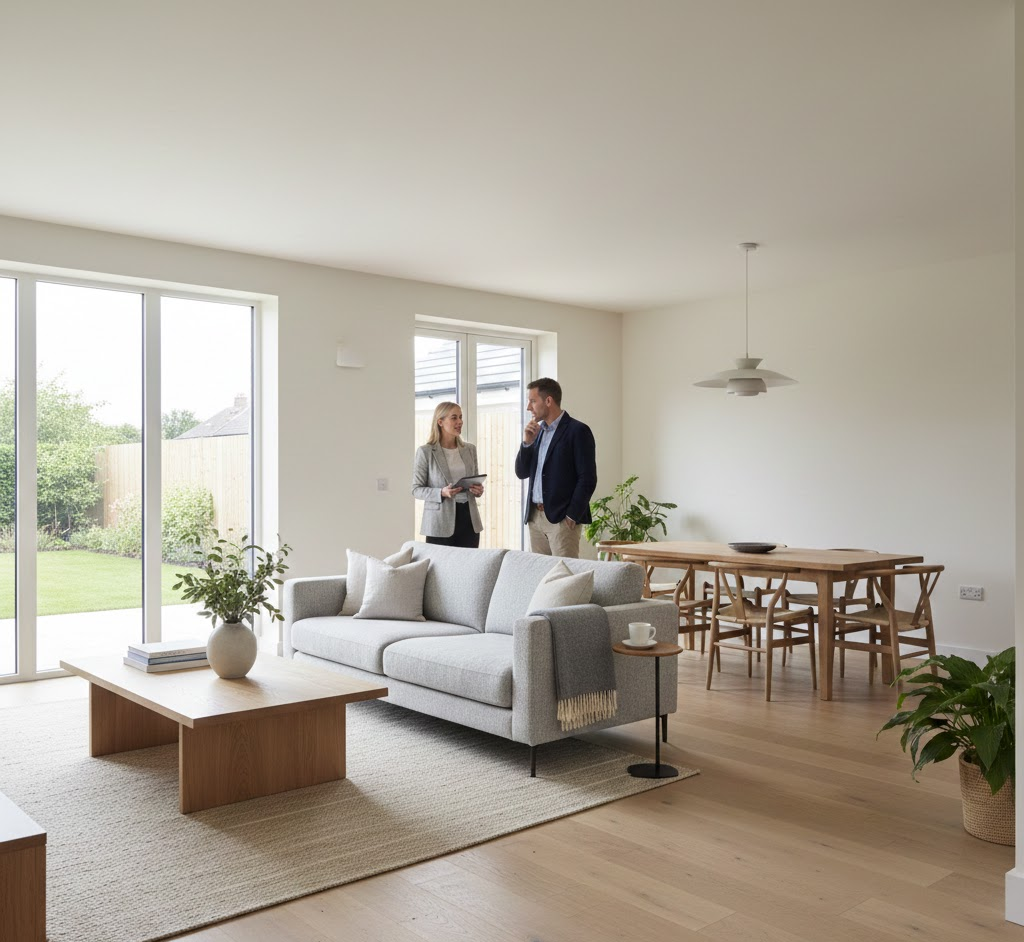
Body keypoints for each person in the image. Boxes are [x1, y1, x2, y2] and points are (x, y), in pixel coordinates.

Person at [514, 377, 597, 558]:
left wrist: (572, 516)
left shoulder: (578, 431)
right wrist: (526, 443)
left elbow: (588, 478)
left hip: (562, 520)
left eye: (533, 401)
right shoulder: (536, 432)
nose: (529, 407)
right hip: (535, 518)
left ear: (549, 401)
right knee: (540, 576)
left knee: (564, 578)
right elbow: (521, 472)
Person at [413, 401, 485, 548]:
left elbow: (475, 481)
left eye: (460, 417)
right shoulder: (425, 452)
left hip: (469, 519)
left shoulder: (470, 449)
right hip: (440, 523)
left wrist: (478, 490)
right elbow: (416, 489)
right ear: (440, 422)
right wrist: (441, 492)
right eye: (454, 418)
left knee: (469, 568)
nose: (460, 422)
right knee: (441, 570)